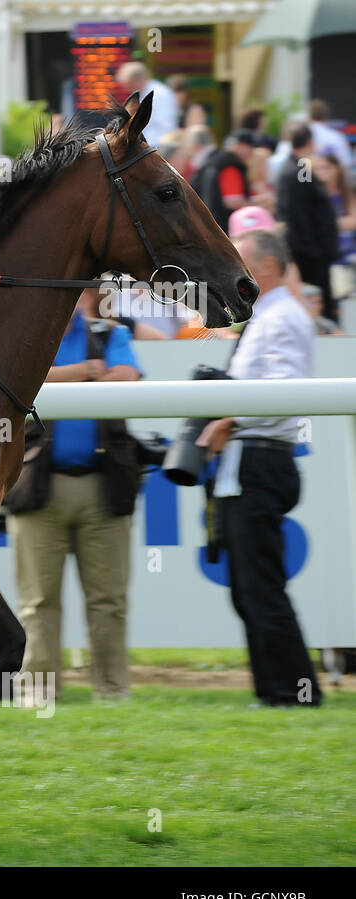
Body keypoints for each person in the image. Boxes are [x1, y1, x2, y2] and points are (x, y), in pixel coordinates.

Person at [197, 229, 321, 707]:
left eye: (242, 260)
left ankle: (293, 692)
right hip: (248, 460)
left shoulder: (282, 317)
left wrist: (228, 420)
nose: (233, 269)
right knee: (249, 588)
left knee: (261, 586)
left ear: (266, 266)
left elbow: (282, 393)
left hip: (260, 460)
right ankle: (275, 691)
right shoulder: (268, 316)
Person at [4, 289, 143, 701]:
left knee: (108, 600)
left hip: (104, 488)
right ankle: (39, 694)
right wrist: (87, 370)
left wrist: (60, 375)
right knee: (37, 600)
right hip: (35, 488)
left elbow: (128, 377)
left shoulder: (110, 334)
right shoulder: (26, 335)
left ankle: (112, 693)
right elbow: (18, 382)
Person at [274, 125, 341, 321]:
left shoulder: (294, 167)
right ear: (309, 143)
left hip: (306, 250)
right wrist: (313, 249)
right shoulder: (299, 169)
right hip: (308, 253)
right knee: (317, 303)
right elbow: (302, 213)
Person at [191, 130, 255, 234]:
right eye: (250, 147)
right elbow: (232, 202)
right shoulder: (230, 165)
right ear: (240, 145)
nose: (251, 152)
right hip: (223, 227)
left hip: (207, 223)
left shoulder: (214, 160)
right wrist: (257, 204)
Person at [114, 61, 178, 147]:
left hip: (158, 146)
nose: (127, 89)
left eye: (129, 84)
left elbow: (166, 127)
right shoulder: (143, 94)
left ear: (139, 79)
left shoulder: (160, 94)